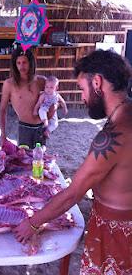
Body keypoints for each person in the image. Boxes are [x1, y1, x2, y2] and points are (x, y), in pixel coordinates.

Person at [14, 49, 132, 274]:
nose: (82, 97)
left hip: (116, 236)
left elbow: (74, 193)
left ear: (97, 82)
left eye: (82, 88)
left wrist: (32, 223)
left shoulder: (112, 136)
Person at [0, 46, 56, 149]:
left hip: (40, 127)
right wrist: (3, 135)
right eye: (18, 63)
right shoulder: (9, 84)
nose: (21, 66)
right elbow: (3, 110)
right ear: (14, 65)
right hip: (23, 127)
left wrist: (50, 116)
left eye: (24, 62)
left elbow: (54, 99)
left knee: (39, 158)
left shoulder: (41, 81)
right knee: (23, 159)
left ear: (30, 63)